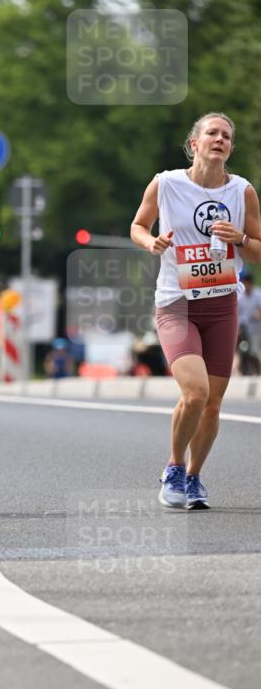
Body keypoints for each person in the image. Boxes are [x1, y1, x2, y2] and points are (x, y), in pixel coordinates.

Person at [130, 112, 261, 509]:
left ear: (230, 148)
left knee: (214, 403)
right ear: (195, 144)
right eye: (212, 133)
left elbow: (257, 246)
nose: (219, 139)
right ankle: (173, 466)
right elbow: (137, 225)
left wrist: (240, 238)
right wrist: (150, 242)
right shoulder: (166, 183)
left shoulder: (242, 192)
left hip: (222, 305)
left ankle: (194, 477)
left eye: (226, 136)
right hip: (177, 304)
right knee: (196, 392)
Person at [237, 269, 261, 374]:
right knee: (243, 350)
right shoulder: (240, 296)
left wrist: (258, 313)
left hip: (255, 328)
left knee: (254, 351)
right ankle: (244, 370)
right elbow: (237, 312)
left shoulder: (257, 294)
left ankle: (258, 370)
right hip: (243, 328)